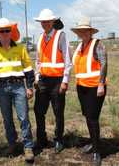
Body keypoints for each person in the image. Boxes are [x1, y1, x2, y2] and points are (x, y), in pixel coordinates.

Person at [0, 18, 35, 162]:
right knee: (7, 119)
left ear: (11, 32)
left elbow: (28, 70)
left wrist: (30, 87)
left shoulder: (20, 48)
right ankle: (12, 144)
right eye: (2, 31)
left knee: (23, 117)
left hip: (19, 86)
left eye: (8, 30)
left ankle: (28, 146)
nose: (5, 33)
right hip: (1, 88)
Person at [33, 9, 72, 153]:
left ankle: (58, 140)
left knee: (58, 112)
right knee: (38, 111)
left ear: (53, 22)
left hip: (57, 80)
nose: (45, 24)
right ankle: (41, 139)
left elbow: (68, 59)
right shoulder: (40, 37)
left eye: (47, 21)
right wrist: (37, 77)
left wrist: (65, 80)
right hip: (43, 80)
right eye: (43, 22)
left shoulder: (61, 36)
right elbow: (38, 60)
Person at [71, 17, 107, 166]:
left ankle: (97, 151)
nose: (83, 33)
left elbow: (104, 64)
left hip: (94, 87)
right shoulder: (79, 47)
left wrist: (101, 84)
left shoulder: (97, 44)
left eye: (85, 30)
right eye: (80, 31)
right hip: (82, 87)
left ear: (90, 31)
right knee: (87, 116)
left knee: (93, 118)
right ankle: (93, 143)